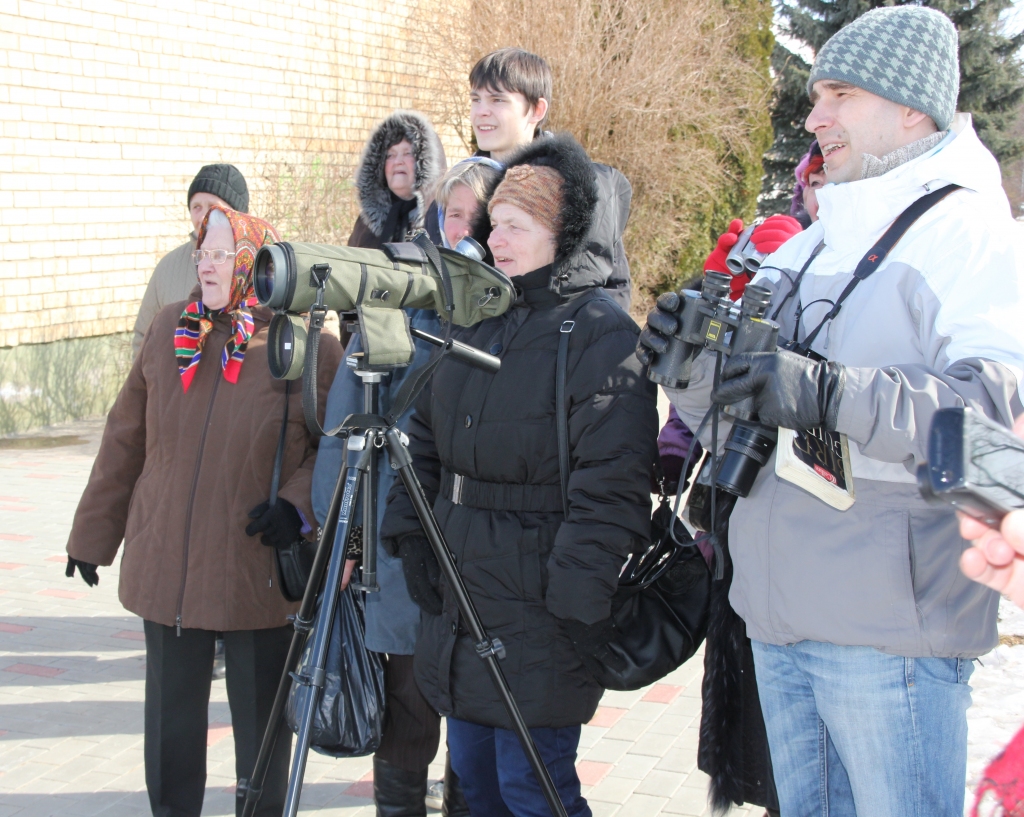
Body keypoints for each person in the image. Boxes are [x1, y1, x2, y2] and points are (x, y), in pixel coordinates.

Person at [638, 7, 1024, 816]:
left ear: (910, 106)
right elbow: (735, 420)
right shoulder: (806, 245)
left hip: (890, 639)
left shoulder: (971, 238)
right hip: (777, 621)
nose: (815, 117)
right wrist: (692, 370)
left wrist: (825, 394)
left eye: (839, 94)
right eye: (817, 95)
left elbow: (993, 445)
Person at [380, 133, 658, 817]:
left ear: (560, 232)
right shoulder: (478, 316)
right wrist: (411, 534)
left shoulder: (600, 330)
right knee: (475, 782)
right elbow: (422, 434)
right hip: (463, 589)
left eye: (517, 226)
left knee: (532, 788)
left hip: (542, 607)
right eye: (494, 224)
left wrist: (574, 599)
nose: (497, 240)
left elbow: (614, 484)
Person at [65, 206, 342, 817]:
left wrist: (297, 508)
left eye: (221, 253)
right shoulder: (170, 329)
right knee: (170, 733)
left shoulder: (305, 346)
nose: (207, 264)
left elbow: (335, 445)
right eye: (201, 252)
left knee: (260, 738)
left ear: (253, 261)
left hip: (253, 568)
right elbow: (124, 439)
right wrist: (91, 536)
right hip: (168, 562)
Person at [311, 159, 498, 817]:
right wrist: (347, 535)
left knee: (478, 728)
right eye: (453, 213)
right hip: (399, 555)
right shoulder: (396, 300)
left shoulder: (515, 312)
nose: (465, 229)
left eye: (479, 216)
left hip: (484, 559)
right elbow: (343, 432)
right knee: (407, 719)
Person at [451, 47, 634, 310]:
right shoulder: (459, 186)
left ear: (536, 110)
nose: (481, 111)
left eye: (497, 100)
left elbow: (614, 289)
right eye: (475, 99)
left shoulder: (574, 191)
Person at [132, 164, 250, 358]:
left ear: (238, 215)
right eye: (196, 207)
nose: (203, 216)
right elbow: (143, 339)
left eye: (213, 207)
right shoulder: (167, 269)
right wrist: (156, 386)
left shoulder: (258, 269)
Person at [349, 110, 446, 250]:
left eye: (408, 153)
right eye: (390, 155)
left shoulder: (443, 220)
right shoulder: (367, 223)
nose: (398, 161)